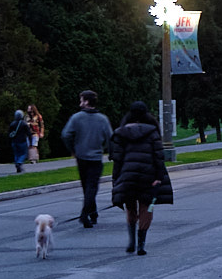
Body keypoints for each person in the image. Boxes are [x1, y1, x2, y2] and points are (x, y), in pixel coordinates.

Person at [109, 101, 170, 255]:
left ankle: (131, 241)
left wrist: (116, 179)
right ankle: (141, 243)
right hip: (148, 176)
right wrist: (159, 177)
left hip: (127, 175)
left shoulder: (120, 133)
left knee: (130, 207)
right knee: (146, 207)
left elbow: (117, 159)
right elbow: (159, 157)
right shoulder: (153, 132)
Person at [60, 91, 113, 228]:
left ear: (87, 102)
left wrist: (73, 149)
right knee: (92, 186)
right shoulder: (102, 119)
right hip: (96, 157)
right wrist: (109, 151)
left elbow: (66, 134)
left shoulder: (77, 118)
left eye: (82, 100)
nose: (80, 104)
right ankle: (88, 213)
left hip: (81, 156)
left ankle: (90, 213)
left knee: (87, 186)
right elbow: (110, 137)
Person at [7, 107, 32, 172]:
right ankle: (19, 162)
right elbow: (29, 133)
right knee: (24, 153)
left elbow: (9, 133)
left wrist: (9, 141)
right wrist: (30, 142)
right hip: (22, 141)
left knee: (16, 154)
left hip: (14, 141)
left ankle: (17, 163)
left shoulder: (12, 124)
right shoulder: (24, 124)